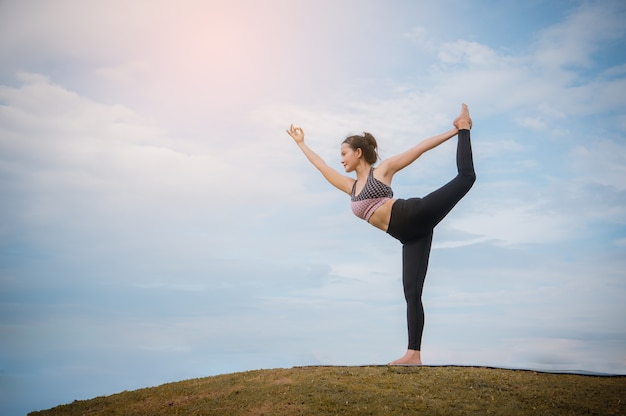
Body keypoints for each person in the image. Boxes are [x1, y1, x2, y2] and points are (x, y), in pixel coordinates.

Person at [286, 104, 476, 365]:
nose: (340, 159)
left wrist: (454, 132)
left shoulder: (382, 171)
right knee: (412, 293)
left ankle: (465, 127)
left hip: (413, 214)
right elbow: (322, 167)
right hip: (410, 238)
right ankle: (413, 355)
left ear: (358, 153)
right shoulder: (351, 187)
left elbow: (419, 149)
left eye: (344, 153)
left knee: (466, 177)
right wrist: (301, 143)